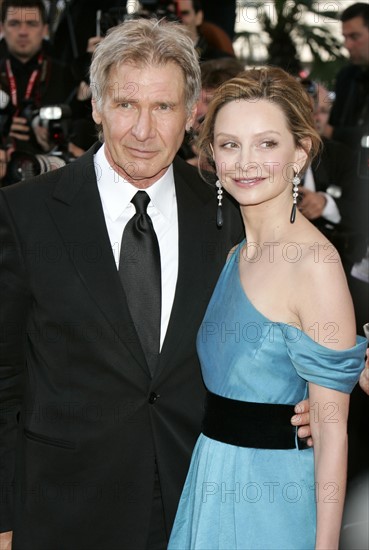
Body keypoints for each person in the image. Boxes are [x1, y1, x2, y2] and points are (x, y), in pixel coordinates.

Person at [0, 18, 317, 550]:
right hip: (63, 508)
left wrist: (321, 377)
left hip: (198, 500)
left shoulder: (229, 210)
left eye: (164, 107)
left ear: (193, 112)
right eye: (126, 105)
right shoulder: (24, 213)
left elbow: (303, 289)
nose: (143, 131)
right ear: (97, 106)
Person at [168, 67, 367, 550]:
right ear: (212, 154)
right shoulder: (236, 251)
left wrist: (324, 546)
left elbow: (330, 430)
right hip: (211, 480)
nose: (246, 161)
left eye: (267, 143)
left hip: (273, 500)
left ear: (299, 153)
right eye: (230, 144)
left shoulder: (314, 262)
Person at [324, 2, 369, 150]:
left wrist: (332, 132)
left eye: (355, 37)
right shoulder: (346, 76)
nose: (347, 45)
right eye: (345, 37)